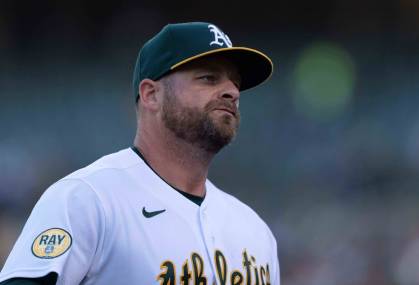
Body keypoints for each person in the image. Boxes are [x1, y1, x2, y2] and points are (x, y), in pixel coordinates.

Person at [0, 22, 279, 285]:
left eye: (235, 82)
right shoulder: (86, 200)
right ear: (150, 95)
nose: (231, 91)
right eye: (208, 78)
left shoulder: (255, 231)